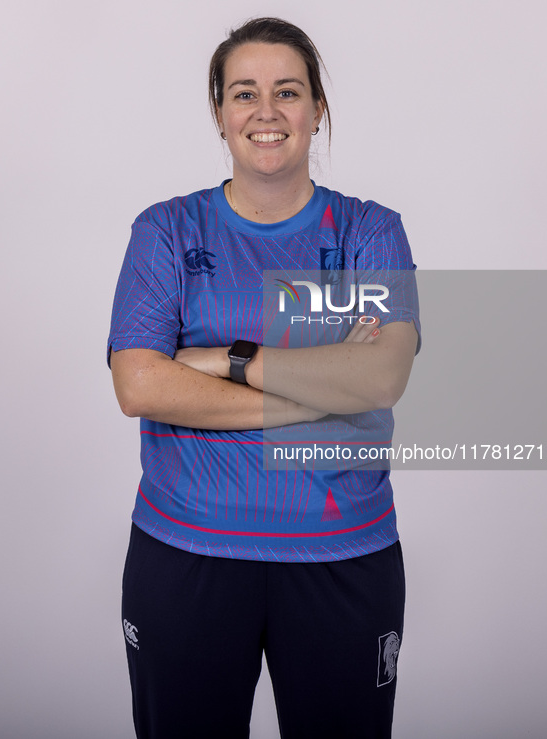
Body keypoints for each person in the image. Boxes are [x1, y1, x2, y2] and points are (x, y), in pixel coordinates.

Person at [108, 16, 420, 739]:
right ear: (220, 114)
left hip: (342, 553)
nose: (267, 111)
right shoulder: (167, 231)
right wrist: (314, 394)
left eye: (288, 91)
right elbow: (140, 385)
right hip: (187, 553)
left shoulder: (369, 232)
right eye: (244, 93)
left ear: (316, 109)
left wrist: (225, 360)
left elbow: (381, 374)